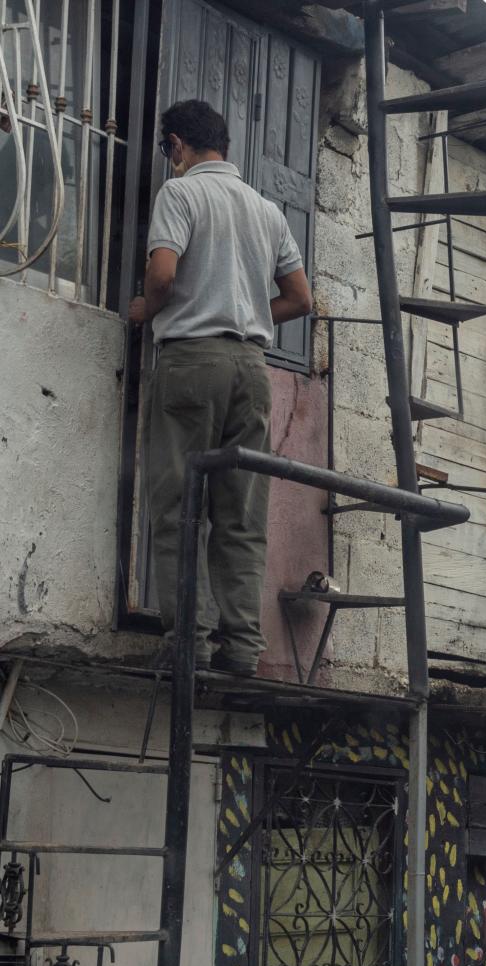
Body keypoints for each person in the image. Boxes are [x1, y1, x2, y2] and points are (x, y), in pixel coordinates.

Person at [128, 98, 312, 676]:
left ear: (178, 146)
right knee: (241, 514)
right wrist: (249, 309)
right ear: (223, 147)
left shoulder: (179, 194)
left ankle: (190, 641)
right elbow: (302, 299)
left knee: (179, 505)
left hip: (192, 361)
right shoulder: (267, 211)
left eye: (167, 150)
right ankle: (241, 647)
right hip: (252, 370)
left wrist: (146, 310)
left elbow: (162, 273)